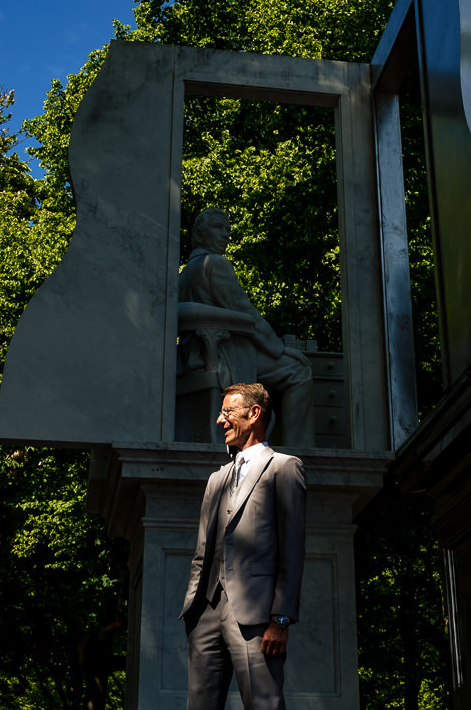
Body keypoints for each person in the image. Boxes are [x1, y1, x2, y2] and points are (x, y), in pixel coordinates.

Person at [181, 382, 307, 710]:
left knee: (264, 705)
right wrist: (192, 609)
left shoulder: (284, 467)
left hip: (257, 616)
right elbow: (202, 551)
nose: (220, 420)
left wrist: (281, 620)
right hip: (205, 613)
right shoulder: (216, 479)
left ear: (253, 414)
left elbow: (292, 548)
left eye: (227, 412)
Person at [178, 208, 314, 446]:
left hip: (195, 355)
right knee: (298, 369)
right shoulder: (215, 264)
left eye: (228, 230)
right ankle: (298, 450)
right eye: (218, 228)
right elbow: (245, 312)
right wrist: (278, 349)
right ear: (199, 235)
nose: (226, 235)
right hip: (226, 354)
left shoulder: (185, 273)